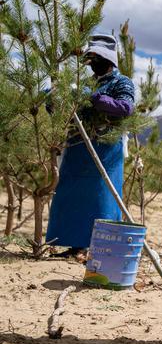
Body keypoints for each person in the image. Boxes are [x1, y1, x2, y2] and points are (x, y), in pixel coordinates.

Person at [46, 35, 136, 261]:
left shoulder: (121, 82)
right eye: (90, 58)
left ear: (108, 59)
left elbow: (125, 108)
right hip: (77, 145)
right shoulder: (84, 83)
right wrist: (53, 101)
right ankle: (75, 246)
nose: (92, 62)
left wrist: (96, 98)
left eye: (97, 57)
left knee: (101, 196)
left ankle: (99, 247)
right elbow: (62, 113)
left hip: (106, 147)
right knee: (72, 195)